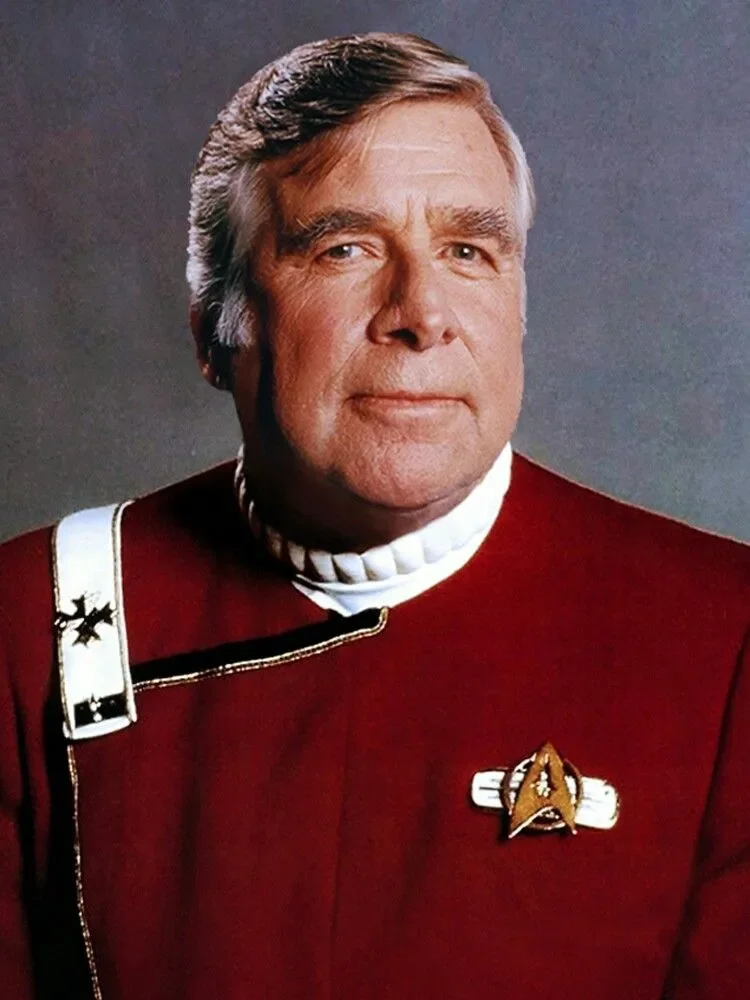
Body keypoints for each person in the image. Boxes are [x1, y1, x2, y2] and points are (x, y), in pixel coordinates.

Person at [0, 32, 748, 1000]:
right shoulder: (31, 622)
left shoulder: (723, 633)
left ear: (517, 309)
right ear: (217, 330)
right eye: (343, 248)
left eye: (468, 249)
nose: (420, 312)